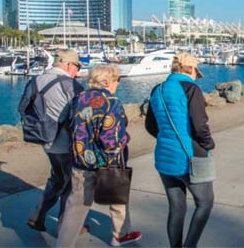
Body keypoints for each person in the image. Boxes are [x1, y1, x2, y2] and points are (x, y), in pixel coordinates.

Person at [56, 64, 142, 247]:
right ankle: (119, 234)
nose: (118, 83)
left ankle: (63, 243)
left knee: (76, 205)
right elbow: (110, 138)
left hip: (80, 159)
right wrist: (124, 139)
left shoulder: (78, 99)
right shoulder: (112, 102)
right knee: (118, 197)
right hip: (107, 161)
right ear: (108, 81)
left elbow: (68, 124)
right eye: (117, 79)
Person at [146, 53, 215, 248]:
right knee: (205, 203)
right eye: (196, 72)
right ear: (191, 69)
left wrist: (167, 138)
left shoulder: (157, 90)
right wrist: (208, 144)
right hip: (190, 156)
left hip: (164, 156)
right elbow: (200, 124)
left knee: (176, 207)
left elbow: (151, 126)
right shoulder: (191, 88)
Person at [27, 49, 84, 233]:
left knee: (58, 178)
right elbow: (80, 115)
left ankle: (38, 215)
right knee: (70, 183)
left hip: (44, 137)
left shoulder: (35, 81)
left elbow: (24, 108)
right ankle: (64, 226)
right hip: (65, 142)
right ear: (69, 65)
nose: (78, 71)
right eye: (77, 66)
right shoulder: (70, 85)